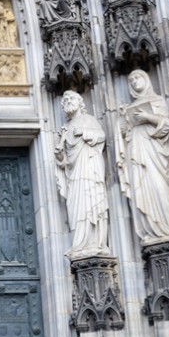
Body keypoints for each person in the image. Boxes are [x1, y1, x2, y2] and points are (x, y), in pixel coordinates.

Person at [117, 70, 169, 242]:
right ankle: (150, 230)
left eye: (137, 77)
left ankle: (167, 229)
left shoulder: (157, 100)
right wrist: (124, 122)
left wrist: (147, 116)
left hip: (154, 153)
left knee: (158, 186)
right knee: (142, 189)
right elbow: (125, 133)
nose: (133, 81)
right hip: (136, 152)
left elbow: (166, 123)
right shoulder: (130, 107)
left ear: (146, 80)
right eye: (131, 79)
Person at [54, 91, 110, 256]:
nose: (67, 102)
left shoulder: (89, 120)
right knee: (76, 207)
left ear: (80, 102)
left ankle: (94, 243)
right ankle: (80, 244)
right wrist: (59, 152)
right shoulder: (66, 129)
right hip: (74, 176)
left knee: (91, 203)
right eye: (64, 100)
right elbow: (64, 161)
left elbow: (101, 136)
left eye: (71, 99)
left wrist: (83, 133)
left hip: (89, 169)